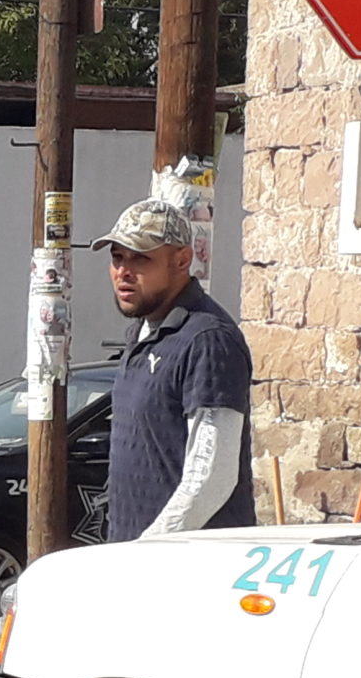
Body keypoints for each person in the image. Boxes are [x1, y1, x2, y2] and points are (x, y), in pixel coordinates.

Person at [90, 198, 255, 540]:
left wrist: (150, 548)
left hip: (186, 567)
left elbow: (212, 475)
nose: (123, 271)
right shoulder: (143, 331)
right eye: (117, 257)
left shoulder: (208, 340)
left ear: (182, 260)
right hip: (135, 559)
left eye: (141, 258)